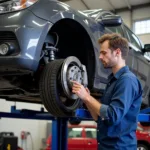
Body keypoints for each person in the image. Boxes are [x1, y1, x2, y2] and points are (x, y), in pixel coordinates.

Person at [71, 33, 143, 150]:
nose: (100, 57)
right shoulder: (112, 80)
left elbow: (112, 116)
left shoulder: (127, 81)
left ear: (117, 52)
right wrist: (87, 99)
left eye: (104, 53)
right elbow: (99, 117)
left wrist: (88, 98)